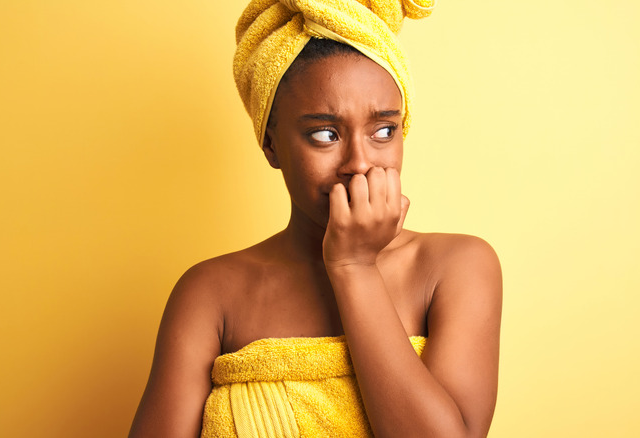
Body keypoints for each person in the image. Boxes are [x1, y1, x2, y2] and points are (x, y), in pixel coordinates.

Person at [130, 1, 501, 437]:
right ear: (271, 145)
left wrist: (353, 268)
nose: (360, 164)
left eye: (383, 130)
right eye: (325, 134)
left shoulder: (455, 267)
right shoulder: (210, 294)